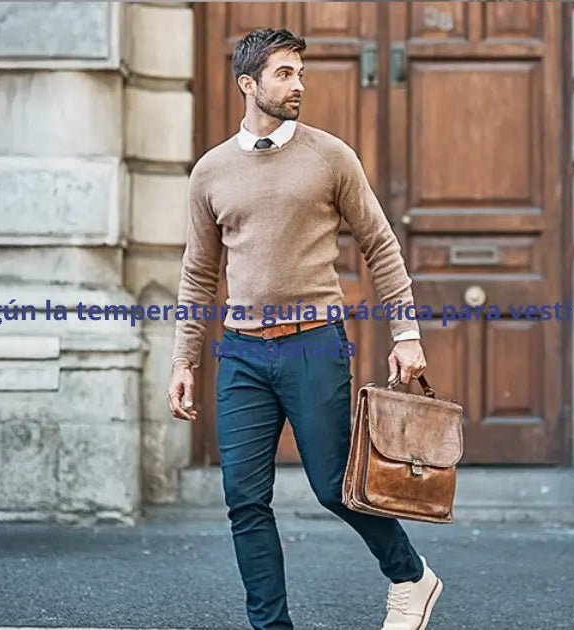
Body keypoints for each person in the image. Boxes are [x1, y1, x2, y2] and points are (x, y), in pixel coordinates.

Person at [166, 28, 443, 630]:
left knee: (333, 486)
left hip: (314, 344)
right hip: (239, 353)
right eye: (284, 74)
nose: (298, 85)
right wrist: (185, 361)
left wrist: (406, 333)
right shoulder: (211, 172)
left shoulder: (330, 156)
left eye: (300, 73)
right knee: (244, 500)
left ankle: (411, 576)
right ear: (249, 84)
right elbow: (197, 273)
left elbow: (381, 246)